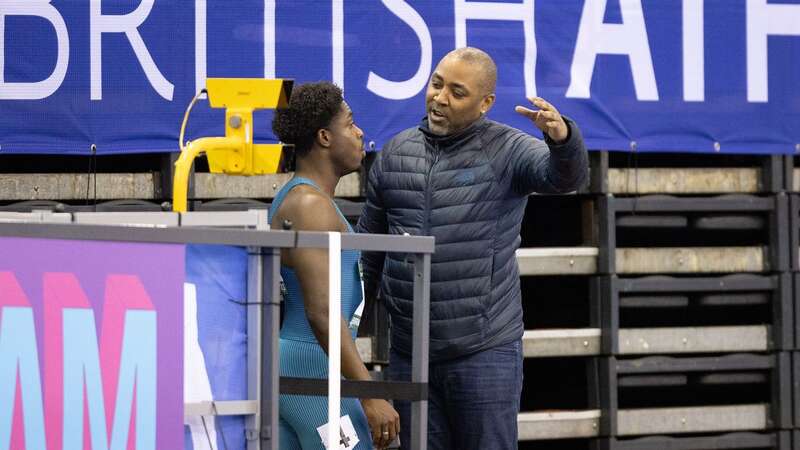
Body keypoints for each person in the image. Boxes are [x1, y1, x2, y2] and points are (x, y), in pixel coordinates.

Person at [356, 47, 589, 449]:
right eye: (436, 83)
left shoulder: (509, 149)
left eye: (457, 92)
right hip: (410, 352)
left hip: (484, 351)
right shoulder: (395, 152)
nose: (440, 98)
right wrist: (347, 333)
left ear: (485, 104)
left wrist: (563, 139)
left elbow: (563, 178)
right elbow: (368, 255)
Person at [270, 81, 400, 449]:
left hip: (304, 365)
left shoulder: (302, 198)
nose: (360, 133)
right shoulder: (310, 205)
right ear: (325, 137)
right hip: (312, 367)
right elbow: (322, 313)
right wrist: (368, 394)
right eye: (350, 123)